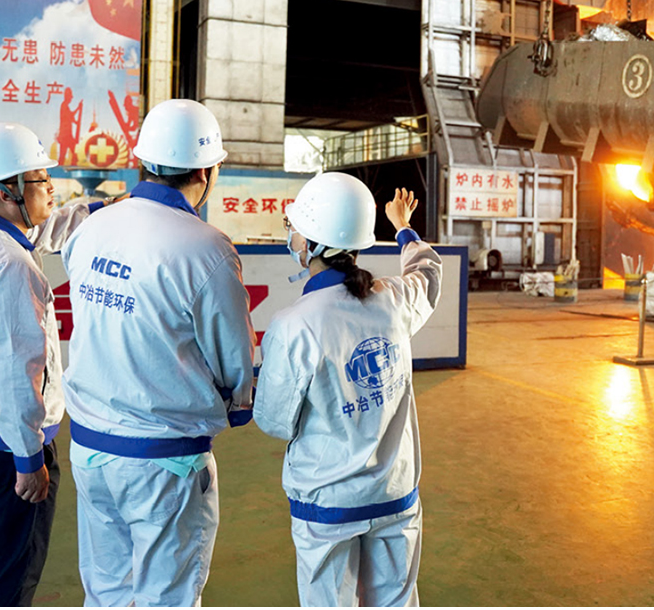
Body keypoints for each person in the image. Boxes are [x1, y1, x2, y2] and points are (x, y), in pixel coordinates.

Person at [61, 98, 256, 607]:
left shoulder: (92, 228)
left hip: (90, 449)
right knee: (166, 597)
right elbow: (233, 358)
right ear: (206, 172)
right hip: (164, 461)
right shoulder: (206, 247)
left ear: (144, 160)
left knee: (107, 593)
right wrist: (239, 402)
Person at [0, 122, 109, 606]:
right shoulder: (11, 266)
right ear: (8, 189)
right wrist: (29, 460)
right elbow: (17, 373)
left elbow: (38, 231)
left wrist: (101, 209)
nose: (51, 187)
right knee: (6, 582)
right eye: (40, 179)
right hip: (6, 453)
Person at [254, 174, 442, 607]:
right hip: (394, 495)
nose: (291, 234)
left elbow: (275, 421)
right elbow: (428, 273)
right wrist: (403, 227)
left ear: (312, 244)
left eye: (294, 227)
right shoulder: (393, 299)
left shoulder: (294, 325)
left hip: (328, 505)